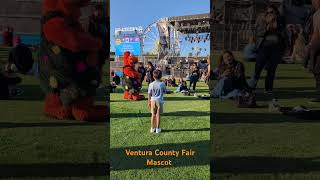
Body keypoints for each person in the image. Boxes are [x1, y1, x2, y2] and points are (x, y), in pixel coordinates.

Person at [248, 4, 285, 94]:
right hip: (264, 46)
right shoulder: (262, 20)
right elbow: (259, 33)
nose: (269, 14)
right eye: (268, 12)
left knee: (272, 69)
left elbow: (282, 31)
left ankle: (268, 88)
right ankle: (251, 87)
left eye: (271, 12)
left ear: (276, 12)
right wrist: (267, 26)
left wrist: (275, 23)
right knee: (258, 67)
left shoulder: (280, 20)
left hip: (276, 47)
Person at [306, 0, 320, 102]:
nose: (312, 3)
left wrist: (310, 45)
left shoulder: (316, 15)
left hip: (318, 44)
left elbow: (316, 33)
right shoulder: (315, 14)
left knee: (317, 71)